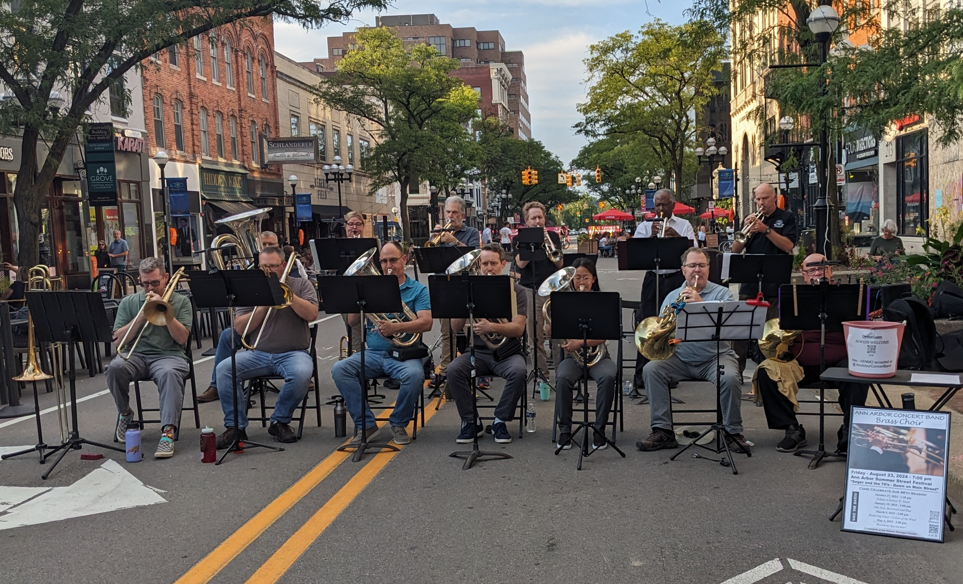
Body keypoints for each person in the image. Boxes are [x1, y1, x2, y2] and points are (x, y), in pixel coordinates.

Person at [636, 247, 751, 453]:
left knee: (731, 377)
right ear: (683, 270)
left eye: (701, 265)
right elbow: (664, 333)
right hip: (680, 357)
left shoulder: (722, 293)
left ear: (708, 268)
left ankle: (732, 432)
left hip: (715, 356)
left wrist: (702, 304)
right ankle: (662, 431)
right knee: (651, 369)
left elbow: (731, 330)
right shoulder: (672, 296)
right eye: (692, 266)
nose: (697, 270)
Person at [752, 254, 869, 453]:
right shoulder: (794, 297)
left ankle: (850, 430)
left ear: (830, 271)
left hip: (838, 360)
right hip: (800, 362)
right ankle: (792, 429)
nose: (817, 273)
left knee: (858, 371)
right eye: (811, 270)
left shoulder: (847, 296)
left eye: (822, 268)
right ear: (803, 274)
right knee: (766, 371)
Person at [214, 246, 319, 447]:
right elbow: (239, 328)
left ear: (283, 266)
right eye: (263, 266)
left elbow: (312, 315)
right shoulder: (250, 289)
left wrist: (288, 297)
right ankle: (235, 426)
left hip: (293, 352)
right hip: (258, 353)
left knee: (302, 373)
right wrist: (263, 305)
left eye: (272, 266)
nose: (268, 271)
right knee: (224, 369)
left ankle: (279, 421)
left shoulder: (301, 285)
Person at [331, 242, 433, 446]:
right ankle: (366, 424)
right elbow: (352, 322)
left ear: (404, 260)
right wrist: (358, 295)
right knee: (340, 369)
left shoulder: (418, 290)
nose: (389, 265)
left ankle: (398, 422)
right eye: (384, 261)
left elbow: (427, 323)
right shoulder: (371, 288)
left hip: (405, 353)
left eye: (393, 260)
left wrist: (396, 328)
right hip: (374, 353)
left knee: (414, 376)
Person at [197, 230, 300, 403]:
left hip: (284, 328)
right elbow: (240, 319)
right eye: (263, 244)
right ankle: (216, 386)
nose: (266, 247)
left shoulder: (292, 269)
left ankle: (299, 373)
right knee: (227, 335)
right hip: (255, 327)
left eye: (270, 244)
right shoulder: (253, 271)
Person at [107, 257, 192, 458]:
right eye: (145, 283)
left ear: (165, 278)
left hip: (169, 355)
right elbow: (119, 341)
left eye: (155, 283)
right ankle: (125, 414)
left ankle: (168, 432)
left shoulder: (181, 302)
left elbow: (182, 338)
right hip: (136, 355)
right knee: (114, 367)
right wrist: (142, 316)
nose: (150, 288)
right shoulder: (129, 302)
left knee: (170, 373)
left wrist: (165, 312)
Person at [446, 244, 528, 444]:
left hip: (507, 352)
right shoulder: (471, 289)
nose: (489, 268)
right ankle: (471, 420)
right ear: (479, 265)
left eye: (493, 263)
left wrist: (492, 327)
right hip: (478, 353)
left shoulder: (516, 291)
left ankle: (500, 420)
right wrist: (461, 298)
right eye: (484, 264)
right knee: (453, 370)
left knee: (519, 371)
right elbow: (456, 327)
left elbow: (518, 329)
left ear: (503, 264)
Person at [631, 190, 698, 390]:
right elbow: (635, 251)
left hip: (675, 278)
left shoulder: (684, 225)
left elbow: (694, 250)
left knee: (671, 324)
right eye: (657, 205)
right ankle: (642, 373)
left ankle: (669, 372)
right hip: (653, 278)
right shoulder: (644, 226)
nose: (660, 209)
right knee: (648, 322)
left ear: (673, 205)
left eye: (664, 205)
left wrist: (677, 237)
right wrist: (650, 238)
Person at [731, 183, 798, 375]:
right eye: (758, 199)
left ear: (774, 197)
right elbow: (736, 250)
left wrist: (766, 230)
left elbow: (788, 246)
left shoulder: (787, 218)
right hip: (750, 286)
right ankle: (736, 374)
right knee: (740, 334)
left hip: (774, 286)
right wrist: (746, 230)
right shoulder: (750, 221)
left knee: (770, 334)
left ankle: (769, 376)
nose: (761, 203)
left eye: (765, 198)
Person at [550, 258, 617, 451]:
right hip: (572, 358)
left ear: (593, 279)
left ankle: (599, 429)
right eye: (577, 277)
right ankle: (565, 430)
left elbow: (605, 336)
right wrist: (551, 318)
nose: (581, 282)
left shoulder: (603, 301)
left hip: (599, 356)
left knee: (608, 376)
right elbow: (550, 331)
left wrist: (579, 342)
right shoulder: (564, 301)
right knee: (562, 378)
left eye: (585, 277)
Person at [514, 202, 565, 397]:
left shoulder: (552, 236)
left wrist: (547, 244)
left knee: (558, 335)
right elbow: (520, 263)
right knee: (535, 337)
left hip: (552, 288)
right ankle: (542, 376)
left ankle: (562, 375)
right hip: (530, 289)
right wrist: (532, 244)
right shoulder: (520, 238)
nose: (537, 221)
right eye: (533, 218)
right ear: (526, 221)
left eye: (540, 217)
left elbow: (560, 263)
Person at [437, 195, 481, 378]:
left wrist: (454, 242)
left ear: (462, 215)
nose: (450, 216)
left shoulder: (471, 233)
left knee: (472, 331)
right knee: (447, 332)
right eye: (448, 212)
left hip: (465, 285)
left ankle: (476, 370)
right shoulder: (438, 233)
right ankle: (446, 372)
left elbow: (474, 258)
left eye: (454, 212)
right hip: (445, 286)